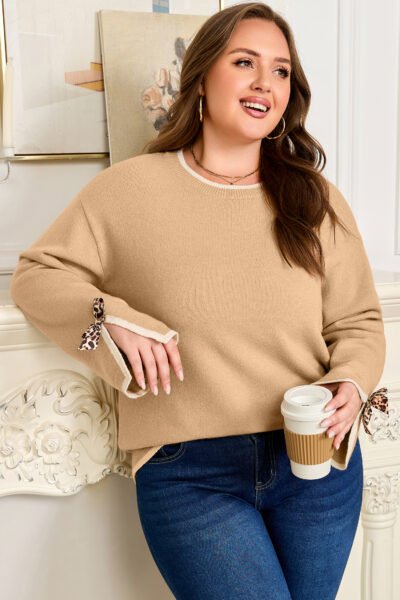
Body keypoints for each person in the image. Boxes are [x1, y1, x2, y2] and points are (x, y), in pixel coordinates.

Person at [10, 3, 386, 599]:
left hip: (317, 461)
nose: (265, 83)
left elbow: (359, 320)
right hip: (190, 473)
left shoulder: (315, 199)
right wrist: (112, 321)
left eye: (281, 71)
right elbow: (37, 275)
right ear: (203, 77)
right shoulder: (129, 190)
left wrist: (351, 383)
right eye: (245, 63)